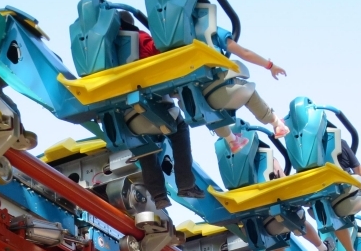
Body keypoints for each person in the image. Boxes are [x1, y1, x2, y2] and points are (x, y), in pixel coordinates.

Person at [118, 12, 205, 207]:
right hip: (153, 108)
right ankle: (186, 184)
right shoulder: (139, 38)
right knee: (180, 128)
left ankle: (158, 196)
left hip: (125, 119)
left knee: (145, 148)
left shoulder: (107, 52)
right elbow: (162, 57)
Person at [200, 23, 289, 152]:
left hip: (203, 100)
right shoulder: (210, 29)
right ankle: (276, 123)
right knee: (248, 92)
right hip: (226, 87)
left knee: (207, 111)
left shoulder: (167, 45)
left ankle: (231, 140)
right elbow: (245, 53)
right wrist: (270, 65)